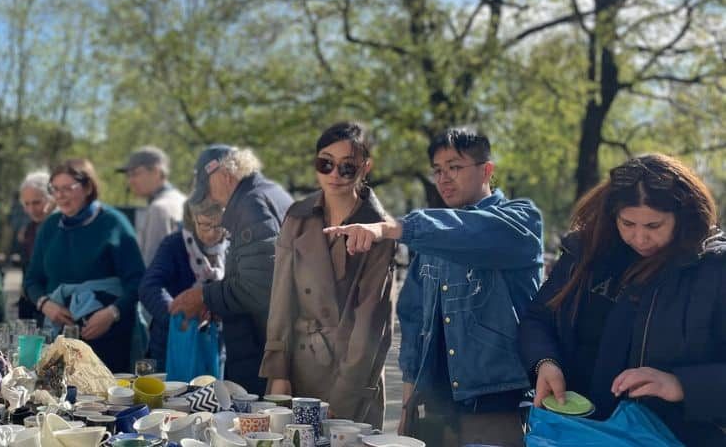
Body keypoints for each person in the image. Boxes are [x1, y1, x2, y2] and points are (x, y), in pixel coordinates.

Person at [325, 128, 543, 447]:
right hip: (436, 406)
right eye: (437, 170)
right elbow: (414, 323)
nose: (444, 178)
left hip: (496, 401)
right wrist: (408, 406)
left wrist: (390, 227)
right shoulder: (432, 241)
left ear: (487, 170)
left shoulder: (520, 220)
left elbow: (470, 233)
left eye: (454, 167)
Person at [519, 154, 726, 447]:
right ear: (612, 214)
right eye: (627, 223)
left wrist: (681, 385)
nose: (640, 238)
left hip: (675, 437)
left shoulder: (714, 271)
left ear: (683, 217)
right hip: (575, 430)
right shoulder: (585, 254)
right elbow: (538, 319)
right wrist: (545, 362)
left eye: (654, 226)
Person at [261, 122, 396, 428]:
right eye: (325, 163)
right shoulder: (296, 216)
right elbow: (280, 300)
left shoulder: (378, 229)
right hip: (298, 370)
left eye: (347, 167)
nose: (334, 174)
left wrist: (343, 399)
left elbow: (373, 324)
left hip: (353, 375)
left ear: (365, 167)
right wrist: (278, 373)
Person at [170, 145, 293, 395]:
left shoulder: (252, 203)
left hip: (261, 350)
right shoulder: (271, 193)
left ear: (225, 176)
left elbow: (258, 287)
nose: (212, 200)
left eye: (209, 190)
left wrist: (205, 296)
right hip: (277, 344)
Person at [24, 158, 144, 372]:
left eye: (67, 188)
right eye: (55, 189)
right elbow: (32, 280)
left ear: (88, 187)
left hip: (109, 336)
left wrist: (112, 313)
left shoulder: (114, 223)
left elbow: (137, 281)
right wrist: (46, 305)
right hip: (61, 336)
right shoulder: (50, 227)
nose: (60, 195)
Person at [139, 200, 228, 369]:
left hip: (215, 346)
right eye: (205, 225)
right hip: (171, 344)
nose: (211, 234)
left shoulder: (233, 248)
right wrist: (178, 316)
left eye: (218, 226)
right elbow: (149, 286)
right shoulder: (175, 244)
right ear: (193, 218)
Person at [117, 146, 186, 266]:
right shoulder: (184, 200)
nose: (130, 181)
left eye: (135, 174)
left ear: (156, 172)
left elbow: (153, 264)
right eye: (128, 175)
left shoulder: (159, 208)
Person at [16, 170, 54, 318]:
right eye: (27, 204)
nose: (32, 209)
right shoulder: (28, 230)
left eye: (37, 202)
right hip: (33, 304)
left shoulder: (63, 227)